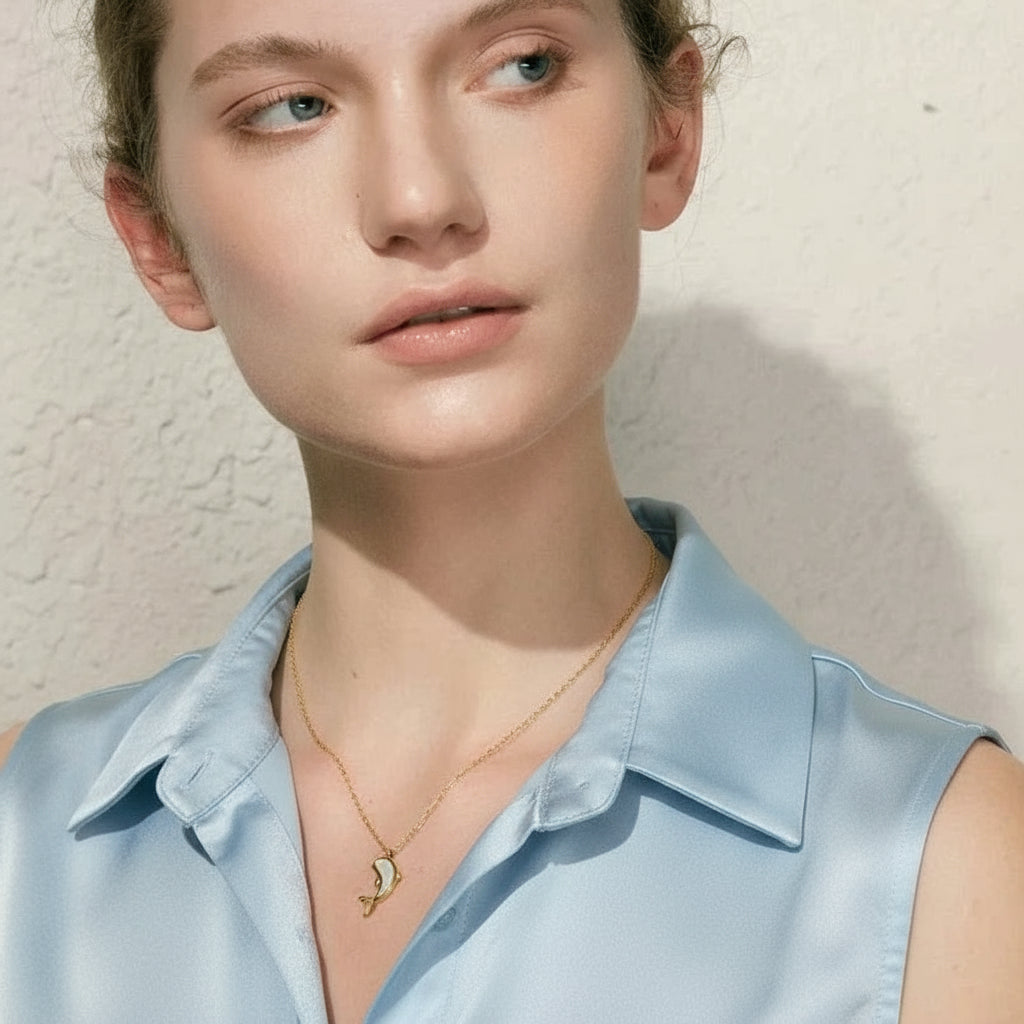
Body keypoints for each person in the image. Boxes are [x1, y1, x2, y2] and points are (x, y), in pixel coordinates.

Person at [1, 0, 1023, 1020]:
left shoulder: (940, 863)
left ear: (667, 133)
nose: (421, 199)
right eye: (292, 107)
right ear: (159, 240)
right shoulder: (23, 836)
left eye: (522, 66)